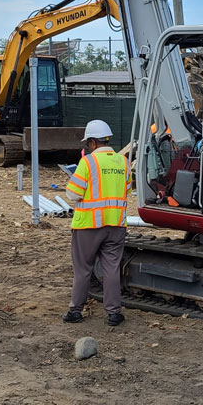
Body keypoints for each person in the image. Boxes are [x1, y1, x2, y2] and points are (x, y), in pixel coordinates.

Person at [62, 119, 131, 327]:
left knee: (83, 269)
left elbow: (73, 194)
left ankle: (75, 311)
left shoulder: (88, 162)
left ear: (92, 143)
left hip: (88, 226)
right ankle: (113, 314)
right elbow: (126, 191)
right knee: (111, 268)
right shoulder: (123, 162)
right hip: (116, 225)